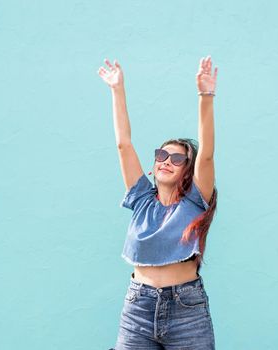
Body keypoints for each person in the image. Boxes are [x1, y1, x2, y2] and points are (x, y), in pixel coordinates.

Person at [97, 55, 219, 349]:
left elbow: (206, 155)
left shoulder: (194, 202)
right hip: (138, 307)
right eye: (161, 155)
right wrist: (117, 89)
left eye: (177, 158)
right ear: (153, 165)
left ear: (187, 170)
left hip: (186, 309)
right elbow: (123, 143)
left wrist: (205, 96)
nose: (166, 161)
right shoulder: (140, 199)